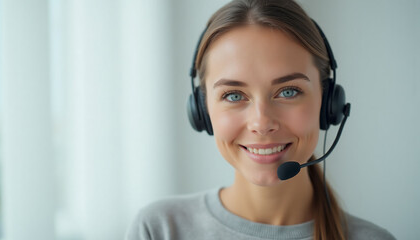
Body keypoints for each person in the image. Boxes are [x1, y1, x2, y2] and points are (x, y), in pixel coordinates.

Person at [125, 0, 395, 239]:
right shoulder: (160, 229)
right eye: (233, 95)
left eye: (288, 92)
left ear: (328, 102)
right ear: (202, 109)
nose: (261, 122)